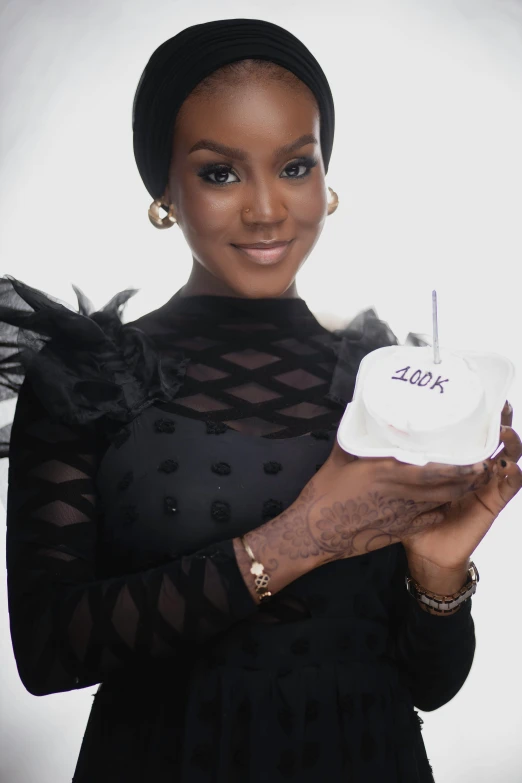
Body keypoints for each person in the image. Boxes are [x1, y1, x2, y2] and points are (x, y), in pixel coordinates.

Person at [0, 18, 520, 783]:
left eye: (296, 165)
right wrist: (304, 537)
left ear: (327, 178)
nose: (269, 209)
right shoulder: (89, 377)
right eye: (221, 173)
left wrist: (437, 574)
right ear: (163, 190)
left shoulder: (385, 382)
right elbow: (48, 651)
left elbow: (427, 685)